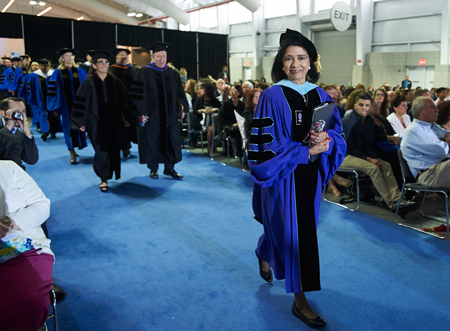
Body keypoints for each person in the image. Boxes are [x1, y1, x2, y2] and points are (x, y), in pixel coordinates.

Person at [249, 28, 347, 329]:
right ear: (281, 63)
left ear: (311, 62)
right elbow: (263, 148)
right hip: (282, 177)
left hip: (311, 179)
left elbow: (338, 134)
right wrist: (304, 151)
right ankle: (300, 300)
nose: (295, 64)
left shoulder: (320, 95)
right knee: (294, 235)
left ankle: (264, 249)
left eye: (301, 58)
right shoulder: (271, 95)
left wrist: (327, 139)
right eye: (289, 58)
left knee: (295, 231)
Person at [341, 92, 418, 214]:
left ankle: (399, 200)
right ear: (355, 106)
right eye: (361, 105)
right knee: (373, 168)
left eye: (367, 105)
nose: (364, 108)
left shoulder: (369, 121)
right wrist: (369, 159)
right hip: (343, 156)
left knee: (386, 165)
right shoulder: (347, 121)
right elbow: (348, 148)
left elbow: (368, 143)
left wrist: (374, 157)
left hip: (360, 155)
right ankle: (392, 204)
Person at [0, 160, 53, 331]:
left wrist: (9, 223)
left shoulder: (8, 167)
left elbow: (42, 205)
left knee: (28, 299)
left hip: (25, 248)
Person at [71, 50, 132, 192]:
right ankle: (103, 178)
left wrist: (127, 118)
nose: (104, 65)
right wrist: (80, 122)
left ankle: (108, 174)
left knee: (112, 150)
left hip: (114, 123)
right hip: (96, 123)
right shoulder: (88, 83)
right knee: (102, 150)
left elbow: (124, 102)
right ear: (94, 65)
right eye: (100, 62)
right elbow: (81, 103)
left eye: (106, 62)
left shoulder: (116, 82)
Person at [129, 42, 189, 179]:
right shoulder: (144, 72)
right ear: (153, 57)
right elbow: (137, 94)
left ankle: (170, 168)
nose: (161, 59)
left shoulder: (173, 73)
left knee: (171, 140)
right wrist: (141, 112)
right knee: (153, 140)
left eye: (163, 56)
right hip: (153, 115)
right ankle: (153, 169)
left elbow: (181, 93)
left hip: (171, 115)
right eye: (158, 56)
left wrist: (184, 108)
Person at [47, 48, 88, 164]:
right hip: (65, 107)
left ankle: (77, 146)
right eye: (67, 55)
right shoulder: (57, 72)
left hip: (80, 106)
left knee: (80, 126)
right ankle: (71, 152)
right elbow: (52, 91)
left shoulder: (80, 71)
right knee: (68, 128)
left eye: (71, 55)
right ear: (62, 58)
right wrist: (54, 107)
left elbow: (87, 89)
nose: (70, 57)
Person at [401, 97, 450, 188]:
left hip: (441, 168)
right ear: (421, 111)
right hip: (429, 174)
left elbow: (447, 137)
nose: (437, 110)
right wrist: (445, 141)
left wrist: (443, 141)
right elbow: (441, 150)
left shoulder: (432, 126)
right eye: (432, 107)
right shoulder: (414, 130)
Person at [109, 48, 139, 157]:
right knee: (120, 124)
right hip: (117, 101)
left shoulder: (133, 70)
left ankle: (130, 143)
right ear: (116, 57)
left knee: (132, 123)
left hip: (132, 102)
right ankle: (124, 146)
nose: (123, 56)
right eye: (121, 54)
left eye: (125, 54)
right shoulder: (112, 69)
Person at [0, 97, 38, 170]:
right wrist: (8, 127)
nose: (21, 116)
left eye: (23, 111)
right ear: (3, 113)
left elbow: (31, 160)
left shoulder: (19, 134)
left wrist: (27, 134)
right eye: (16, 112)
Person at [27, 58, 59, 142]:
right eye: (42, 65)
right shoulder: (34, 75)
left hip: (52, 99)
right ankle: (45, 132)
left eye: (45, 66)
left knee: (52, 114)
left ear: (48, 66)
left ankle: (53, 131)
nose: (43, 67)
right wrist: (32, 99)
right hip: (40, 99)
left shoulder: (53, 74)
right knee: (43, 114)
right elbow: (31, 89)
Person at [192, 82, 221, 155]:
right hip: (201, 121)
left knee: (219, 128)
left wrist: (214, 110)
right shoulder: (199, 99)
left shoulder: (215, 100)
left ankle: (214, 147)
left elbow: (220, 109)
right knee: (211, 129)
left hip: (213, 121)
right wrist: (203, 110)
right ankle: (210, 148)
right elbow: (195, 111)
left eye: (202, 89)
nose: (200, 90)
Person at [218, 84, 245, 158]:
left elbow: (244, 117)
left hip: (239, 126)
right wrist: (231, 124)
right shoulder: (226, 104)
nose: (232, 92)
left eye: (235, 90)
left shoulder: (242, 105)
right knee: (236, 133)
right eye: (231, 90)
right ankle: (239, 154)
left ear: (239, 93)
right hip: (227, 127)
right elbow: (220, 118)